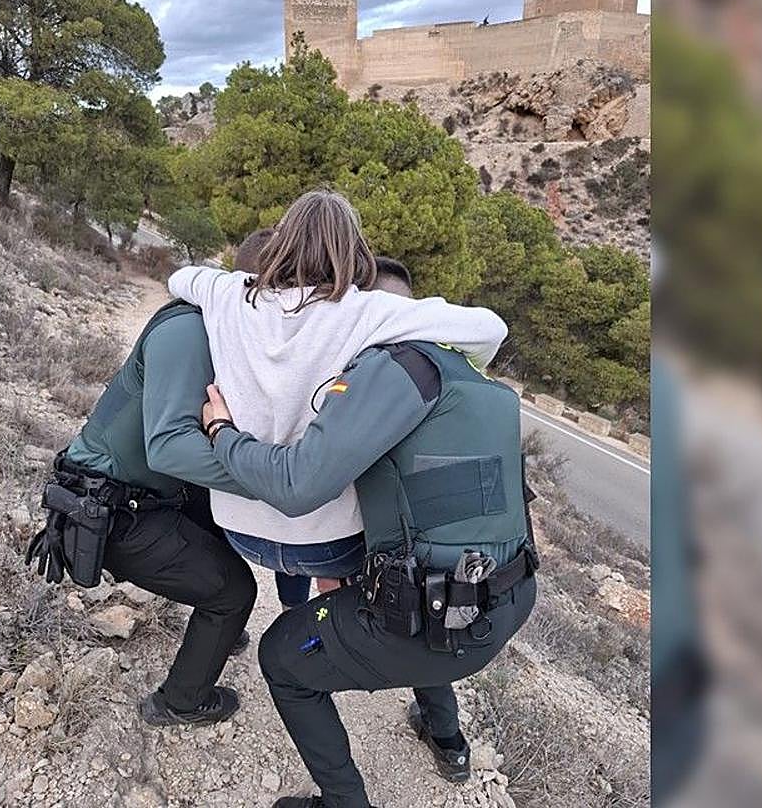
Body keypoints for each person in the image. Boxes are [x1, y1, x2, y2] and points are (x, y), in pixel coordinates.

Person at [200, 261, 538, 808]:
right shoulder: (468, 373)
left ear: (365, 310)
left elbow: (297, 484)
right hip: (504, 602)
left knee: (282, 658)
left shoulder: (392, 368)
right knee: (430, 598)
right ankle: (449, 743)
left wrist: (222, 432)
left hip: (430, 626)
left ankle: (344, 802)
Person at [167, 190, 508, 618]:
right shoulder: (368, 312)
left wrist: (239, 287)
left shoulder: (228, 293)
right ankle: (323, 626)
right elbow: (492, 329)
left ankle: (293, 610)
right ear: (354, 251)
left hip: (239, 528)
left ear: (279, 242)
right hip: (330, 545)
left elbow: (180, 278)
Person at [25, 275, 259, 728]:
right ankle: (180, 702)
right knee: (236, 593)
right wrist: (267, 479)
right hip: (111, 510)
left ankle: (218, 629)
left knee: (218, 525)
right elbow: (168, 450)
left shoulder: (208, 325)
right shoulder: (190, 331)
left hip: (138, 495)